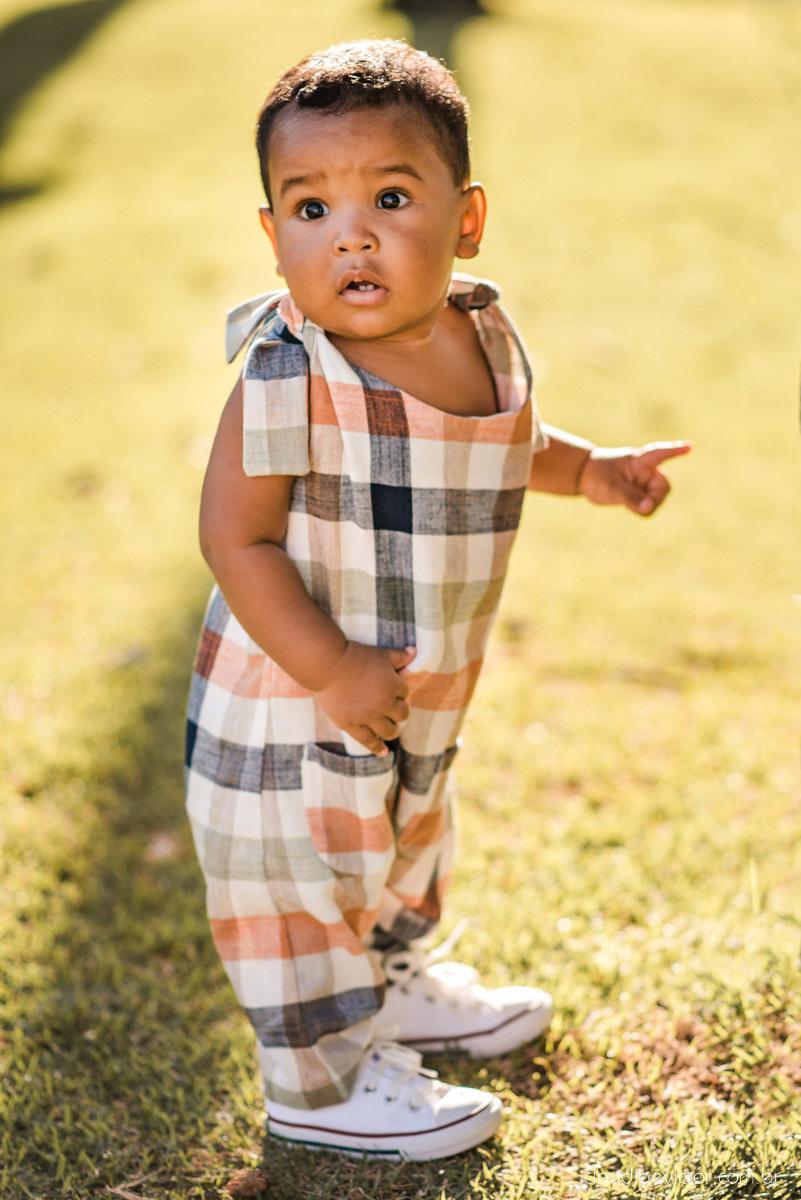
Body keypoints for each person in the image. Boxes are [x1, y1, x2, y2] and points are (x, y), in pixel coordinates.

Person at [185, 38, 690, 1162]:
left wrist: (592, 469)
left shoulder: (482, 334)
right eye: (309, 208)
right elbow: (235, 534)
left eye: (391, 196)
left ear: (467, 221)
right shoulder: (291, 369)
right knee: (306, 877)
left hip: (415, 689)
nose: (350, 234)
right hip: (294, 700)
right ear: (272, 236)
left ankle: (393, 984)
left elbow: (509, 443)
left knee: (407, 836)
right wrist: (328, 668)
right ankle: (317, 1083)